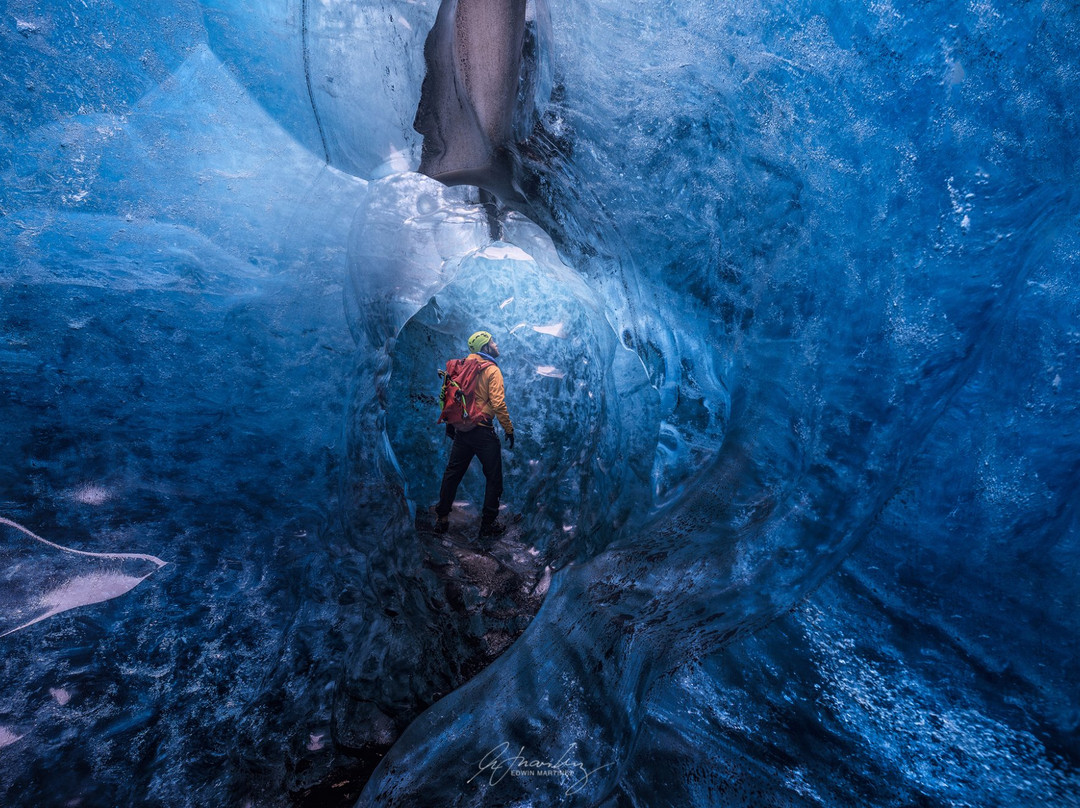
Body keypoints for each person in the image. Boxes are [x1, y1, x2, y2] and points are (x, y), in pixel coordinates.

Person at [434, 330, 515, 537]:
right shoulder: (491, 370)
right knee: (494, 478)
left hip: (462, 430)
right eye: (492, 341)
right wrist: (508, 429)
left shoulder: (462, 366)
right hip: (483, 431)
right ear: (484, 347)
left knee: (453, 473)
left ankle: (441, 518)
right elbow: (498, 403)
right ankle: (488, 525)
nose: (496, 345)